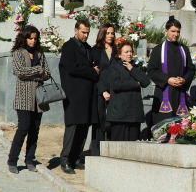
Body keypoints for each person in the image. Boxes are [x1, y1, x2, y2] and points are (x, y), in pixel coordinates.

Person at [8, 25, 50, 174]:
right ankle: (12, 161)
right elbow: (20, 72)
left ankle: (29, 159)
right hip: (23, 97)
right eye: (30, 38)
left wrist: (33, 74)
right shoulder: (18, 53)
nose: (33, 41)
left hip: (38, 98)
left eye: (35, 38)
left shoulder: (40, 53)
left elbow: (48, 73)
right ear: (24, 38)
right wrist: (38, 70)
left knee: (35, 130)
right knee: (23, 128)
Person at [59, 20, 99, 174]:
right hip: (73, 95)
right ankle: (65, 160)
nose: (86, 35)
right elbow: (72, 67)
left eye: (88, 32)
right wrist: (91, 71)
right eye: (83, 32)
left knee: (83, 128)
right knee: (73, 127)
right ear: (76, 31)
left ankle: (75, 158)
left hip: (87, 96)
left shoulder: (88, 48)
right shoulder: (69, 46)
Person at [147, 17, 195, 126]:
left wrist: (184, 80)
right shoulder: (158, 50)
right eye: (173, 31)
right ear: (166, 31)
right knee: (164, 126)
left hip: (180, 93)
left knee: (180, 126)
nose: (176, 34)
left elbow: (191, 69)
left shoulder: (184, 49)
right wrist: (167, 79)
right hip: (164, 93)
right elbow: (151, 70)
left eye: (178, 31)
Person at [106, 40, 150, 141]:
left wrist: (132, 69)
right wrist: (135, 84)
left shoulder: (136, 67)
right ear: (119, 55)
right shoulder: (114, 68)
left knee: (132, 146)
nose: (129, 54)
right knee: (117, 145)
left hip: (134, 114)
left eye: (131, 51)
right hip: (119, 114)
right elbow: (116, 85)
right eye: (126, 52)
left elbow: (146, 82)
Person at [90, 23, 115, 156]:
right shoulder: (96, 51)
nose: (110, 35)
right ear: (102, 34)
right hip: (100, 92)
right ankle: (96, 154)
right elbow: (95, 74)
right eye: (108, 33)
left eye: (112, 33)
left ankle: (109, 153)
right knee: (99, 124)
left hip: (115, 92)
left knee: (112, 123)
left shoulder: (116, 50)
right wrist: (103, 91)